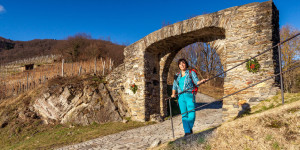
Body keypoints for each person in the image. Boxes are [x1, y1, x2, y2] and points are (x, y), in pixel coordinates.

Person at [171, 58, 208, 136]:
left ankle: (189, 128)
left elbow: (196, 81)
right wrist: (173, 93)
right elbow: (174, 86)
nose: (182, 65)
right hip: (180, 97)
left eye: (183, 63)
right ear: (178, 66)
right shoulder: (176, 76)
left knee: (192, 114)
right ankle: (187, 132)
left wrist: (201, 82)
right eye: (180, 64)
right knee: (184, 114)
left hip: (190, 95)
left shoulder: (191, 73)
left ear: (186, 64)